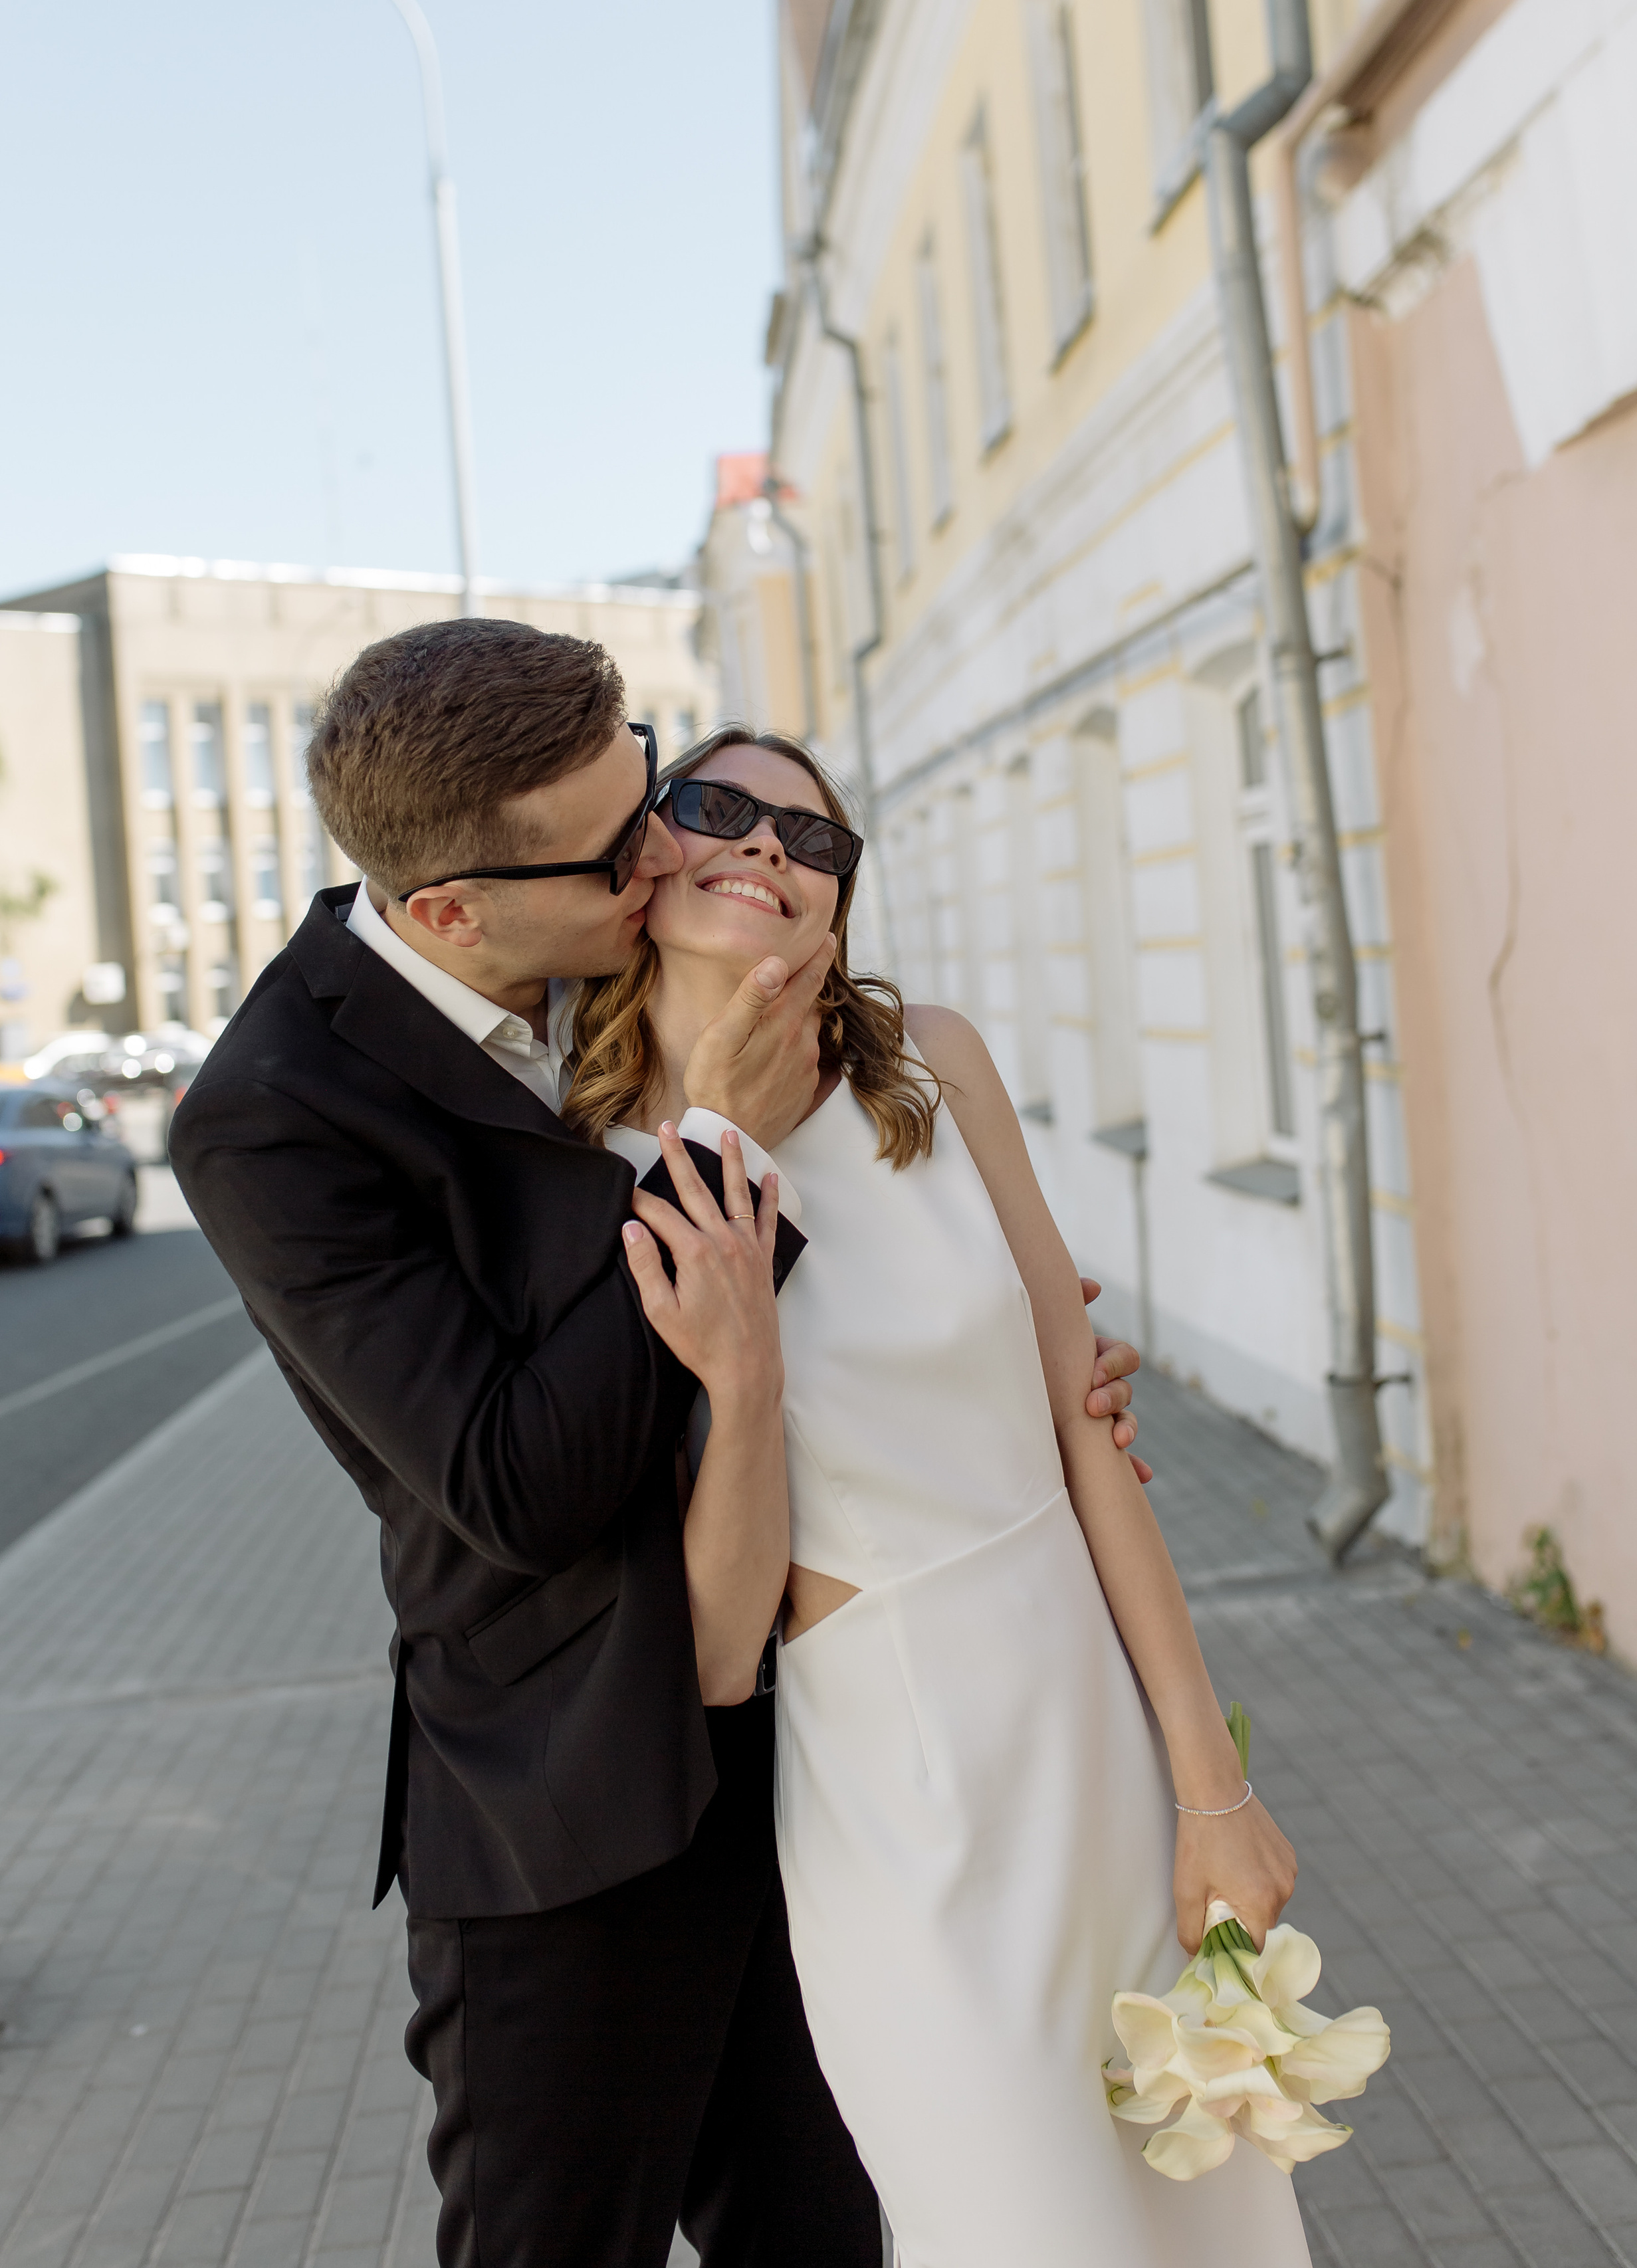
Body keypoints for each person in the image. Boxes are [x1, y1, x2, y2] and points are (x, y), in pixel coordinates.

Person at [170, 618, 1150, 2268]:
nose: (658, 856)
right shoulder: (273, 1117)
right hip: (577, 1787)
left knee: (840, 2228)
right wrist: (717, 1148)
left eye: (649, 791)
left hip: (828, 1747)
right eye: (618, 846)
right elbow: (515, 1486)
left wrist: (1009, 1333)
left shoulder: (610, 956)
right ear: (449, 912)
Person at [572, 724, 1314, 2267]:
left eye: (814, 839)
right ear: (645, 856)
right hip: (888, 1785)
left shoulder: (932, 1063)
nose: (768, 848)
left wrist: (1209, 1786)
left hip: (1085, 1716)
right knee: (1014, 2223)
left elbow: (1081, 1433)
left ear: (838, 903)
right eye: (718, 809)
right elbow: (715, 1637)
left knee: (1203, 2215)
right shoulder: (596, 1168)